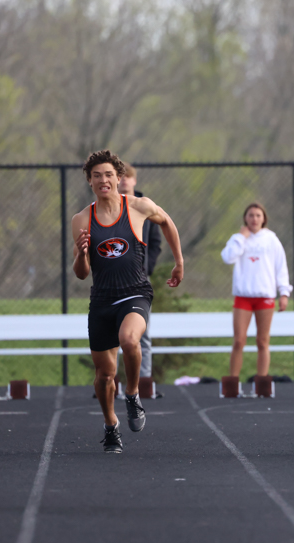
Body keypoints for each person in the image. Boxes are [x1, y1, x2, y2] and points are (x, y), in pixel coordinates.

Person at [72, 150, 184, 453]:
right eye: (97, 176)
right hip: (102, 299)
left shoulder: (137, 206)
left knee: (130, 340)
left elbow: (167, 222)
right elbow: (81, 274)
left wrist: (178, 261)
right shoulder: (82, 219)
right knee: (104, 374)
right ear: (90, 181)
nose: (103, 180)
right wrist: (82, 254)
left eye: (108, 174)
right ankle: (111, 426)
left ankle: (132, 394)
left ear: (119, 178)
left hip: (135, 291)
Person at [221, 203, 292, 380]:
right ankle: (233, 381)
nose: (254, 219)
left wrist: (284, 293)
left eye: (258, 215)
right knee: (239, 341)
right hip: (243, 297)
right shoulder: (238, 238)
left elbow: (280, 266)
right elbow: (228, 257)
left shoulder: (271, 239)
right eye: (251, 215)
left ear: (264, 218)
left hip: (265, 297)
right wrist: (241, 238)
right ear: (245, 218)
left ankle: (262, 380)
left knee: (262, 341)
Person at [118, 164, 162, 381]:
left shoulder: (146, 207)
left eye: (128, 177)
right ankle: (112, 381)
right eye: (120, 177)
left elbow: (156, 242)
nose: (124, 180)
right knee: (113, 334)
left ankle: (143, 382)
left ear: (134, 180)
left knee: (141, 333)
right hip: (114, 280)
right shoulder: (108, 207)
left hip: (140, 280)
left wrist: (147, 268)